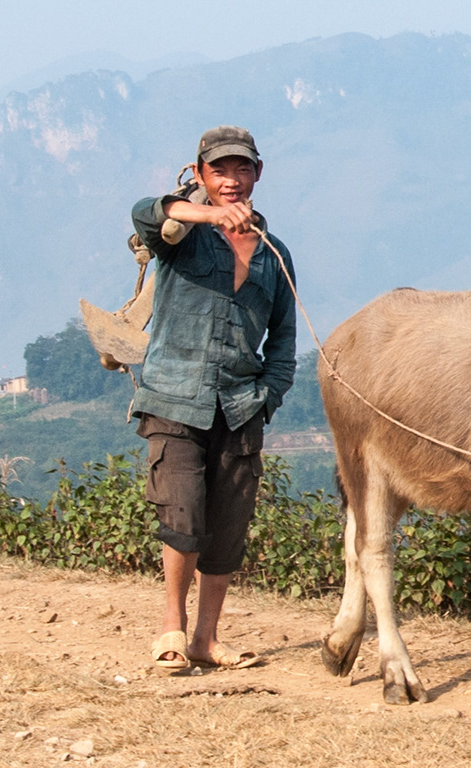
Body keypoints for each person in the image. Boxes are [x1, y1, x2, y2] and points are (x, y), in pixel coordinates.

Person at [130, 125, 295, 671]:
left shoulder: (276, 255)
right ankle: (171, 629)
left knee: (227, 528)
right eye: (219, 170)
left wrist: (266, 395)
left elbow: (284, 342)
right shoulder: (183, 236)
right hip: (175, 399)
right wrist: (206, 215)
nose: (231, 180)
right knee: (183, 514)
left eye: (242, 169)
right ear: (200, 175)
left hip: (241, 406)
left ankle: (206, 638)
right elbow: (147, 214)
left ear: (258, 174)